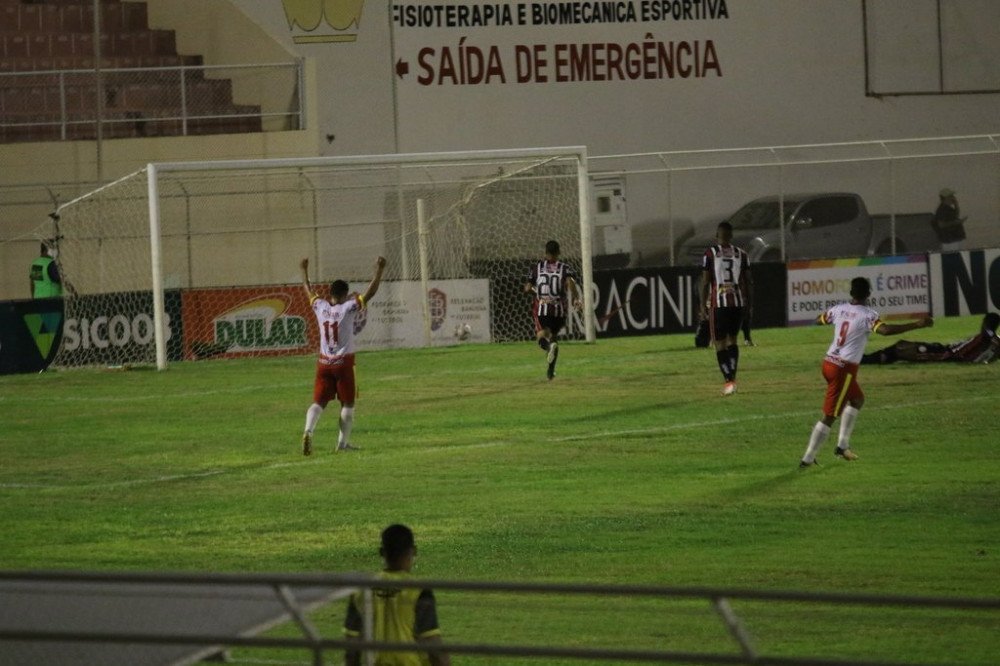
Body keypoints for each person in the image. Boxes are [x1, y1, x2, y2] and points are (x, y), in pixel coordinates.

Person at [799, 277, 933, 467]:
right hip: (843, 368)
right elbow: (885, 331)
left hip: (828, 362)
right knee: (830, 415)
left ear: (851, 293)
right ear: (869, 293)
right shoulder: (868, 314)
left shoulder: (838, 309)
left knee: (857, 399)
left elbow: (819, 320)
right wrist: (916, 324)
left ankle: (842, 446)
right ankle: (808, 459)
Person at [300, 255, 385, 456]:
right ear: (346, 294)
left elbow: (308, 291)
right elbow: (370, 293)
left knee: (318, 402)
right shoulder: (348, 308)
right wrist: (379, 270)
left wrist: (304, 270)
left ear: (329, 294)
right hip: (344, 363)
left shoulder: (320, 306)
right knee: (348, 403)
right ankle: (342, 444)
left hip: (323, 362)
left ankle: (308, 431)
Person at [343, 524, 450, 666]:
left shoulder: (361, 590)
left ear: (382, 552)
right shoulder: (418, 590)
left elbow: (351, 649)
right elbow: (433, 646)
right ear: (413, 551)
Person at [699, 221, 752, 395]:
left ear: (717, 236)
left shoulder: (710, 254)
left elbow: (705, 281)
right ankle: (732, 378)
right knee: (732, 342)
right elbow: (747, 281)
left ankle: (729, 380)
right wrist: (748, 303)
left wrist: (702, 305)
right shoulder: (742, 254)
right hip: (737, 303)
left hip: (719, 304)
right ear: (731, 236)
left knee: (720, 344)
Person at [525, 240, 581, 380]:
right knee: (554, 338)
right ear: (559, 252)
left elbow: (527, 288)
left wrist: (536, 292)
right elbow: (570, 282)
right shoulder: (564, 267)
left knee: (541, 336)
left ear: (545, 253)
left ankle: (548, 347)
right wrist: (576, 298)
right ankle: (551, 371)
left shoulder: (537, 267)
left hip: (544, 307)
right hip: (560, 310)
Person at [861, 313, 999, 365]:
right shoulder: (989, 337)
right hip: (945, 350)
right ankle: (866, 360)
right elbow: (990, 320)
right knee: (898, 350)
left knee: (899, 349)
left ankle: (864, 360)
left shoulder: (989, 339)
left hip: (947, 355)